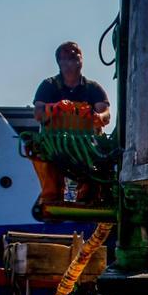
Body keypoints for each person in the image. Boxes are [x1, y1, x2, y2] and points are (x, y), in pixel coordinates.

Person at [31, 41, 112, 203]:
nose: (71, 60)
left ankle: (89, 194)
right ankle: (51, 195)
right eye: (66, 57)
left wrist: (97, 116)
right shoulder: (48, 86)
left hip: (88, 144)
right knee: (37, 151)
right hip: (54, 142)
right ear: (59, 62)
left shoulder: (93, 88)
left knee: (103, 158)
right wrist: (54, 108)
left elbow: (106, 114)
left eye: (75, 56)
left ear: (82, 60)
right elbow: (38, 113)